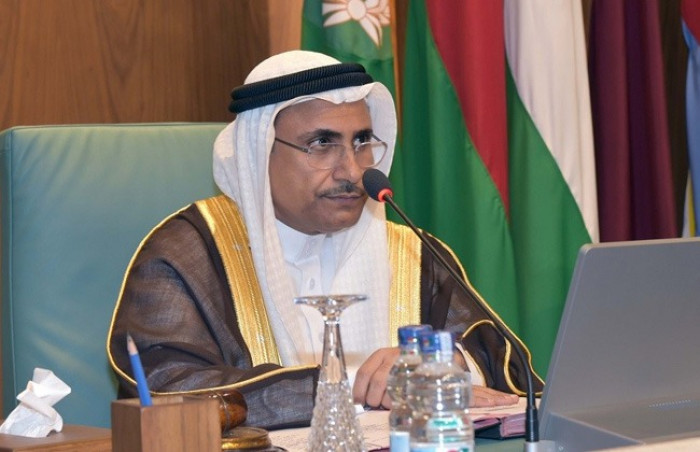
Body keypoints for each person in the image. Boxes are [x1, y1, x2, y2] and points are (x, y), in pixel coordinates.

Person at [107, 50, 544, 430]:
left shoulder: (411, 252)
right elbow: (165, 391)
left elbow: (506, 368)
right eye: (322, 143)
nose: (352, 172)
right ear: (258, 153)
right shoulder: (188, 254)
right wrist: (351, 386)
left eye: (362, 141)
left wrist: (445, 367)